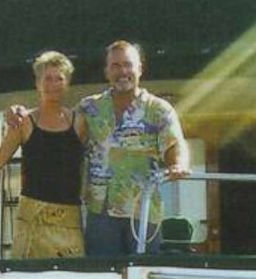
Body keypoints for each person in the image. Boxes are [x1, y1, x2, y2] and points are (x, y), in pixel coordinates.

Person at [10, 40, 190, 256]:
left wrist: (178, 164)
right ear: (106, 71)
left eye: (128, 65)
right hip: (100, 214)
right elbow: (57, 122)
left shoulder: (160, 110)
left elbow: (175, 145)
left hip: (143, 213)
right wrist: (17, 113)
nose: (122, 71)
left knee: (143, 278)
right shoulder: (89, 107)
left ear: (140, 68)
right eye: (115, 66)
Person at [0, 51, 85, 259]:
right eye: (47, 79)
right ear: (38, 83)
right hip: (32, 218)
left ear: (67, 82)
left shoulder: (79, 122)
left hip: (69, 220)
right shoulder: (23, 122)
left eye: (59, 78)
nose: (53, 84)